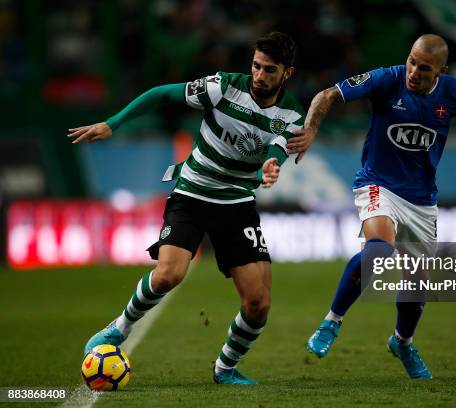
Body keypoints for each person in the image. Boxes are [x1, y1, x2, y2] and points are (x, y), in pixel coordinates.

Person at [287, 34, 456, 379]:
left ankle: (402, 342)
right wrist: (311, 129)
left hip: (422, 199)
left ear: (441, 70)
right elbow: (328, 95)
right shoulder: (388, 78)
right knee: (377, 251)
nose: (414, 71)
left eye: (424, 68)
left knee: (416, 281)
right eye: (412, 61)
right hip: (377, 184)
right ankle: (331, 323)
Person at [68, 32, 305, 385]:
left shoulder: (292, 113)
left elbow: (278, 149)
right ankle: (119, 329)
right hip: (192, 193)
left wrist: (271, 165)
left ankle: (225, 368)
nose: (259, 75)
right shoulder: (223, 87)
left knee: (259, 304)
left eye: (269, 70)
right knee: (169, 275)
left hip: (237, 203)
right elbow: (161, 93)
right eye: (256, 66)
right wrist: (112, 123)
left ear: (287, 74)